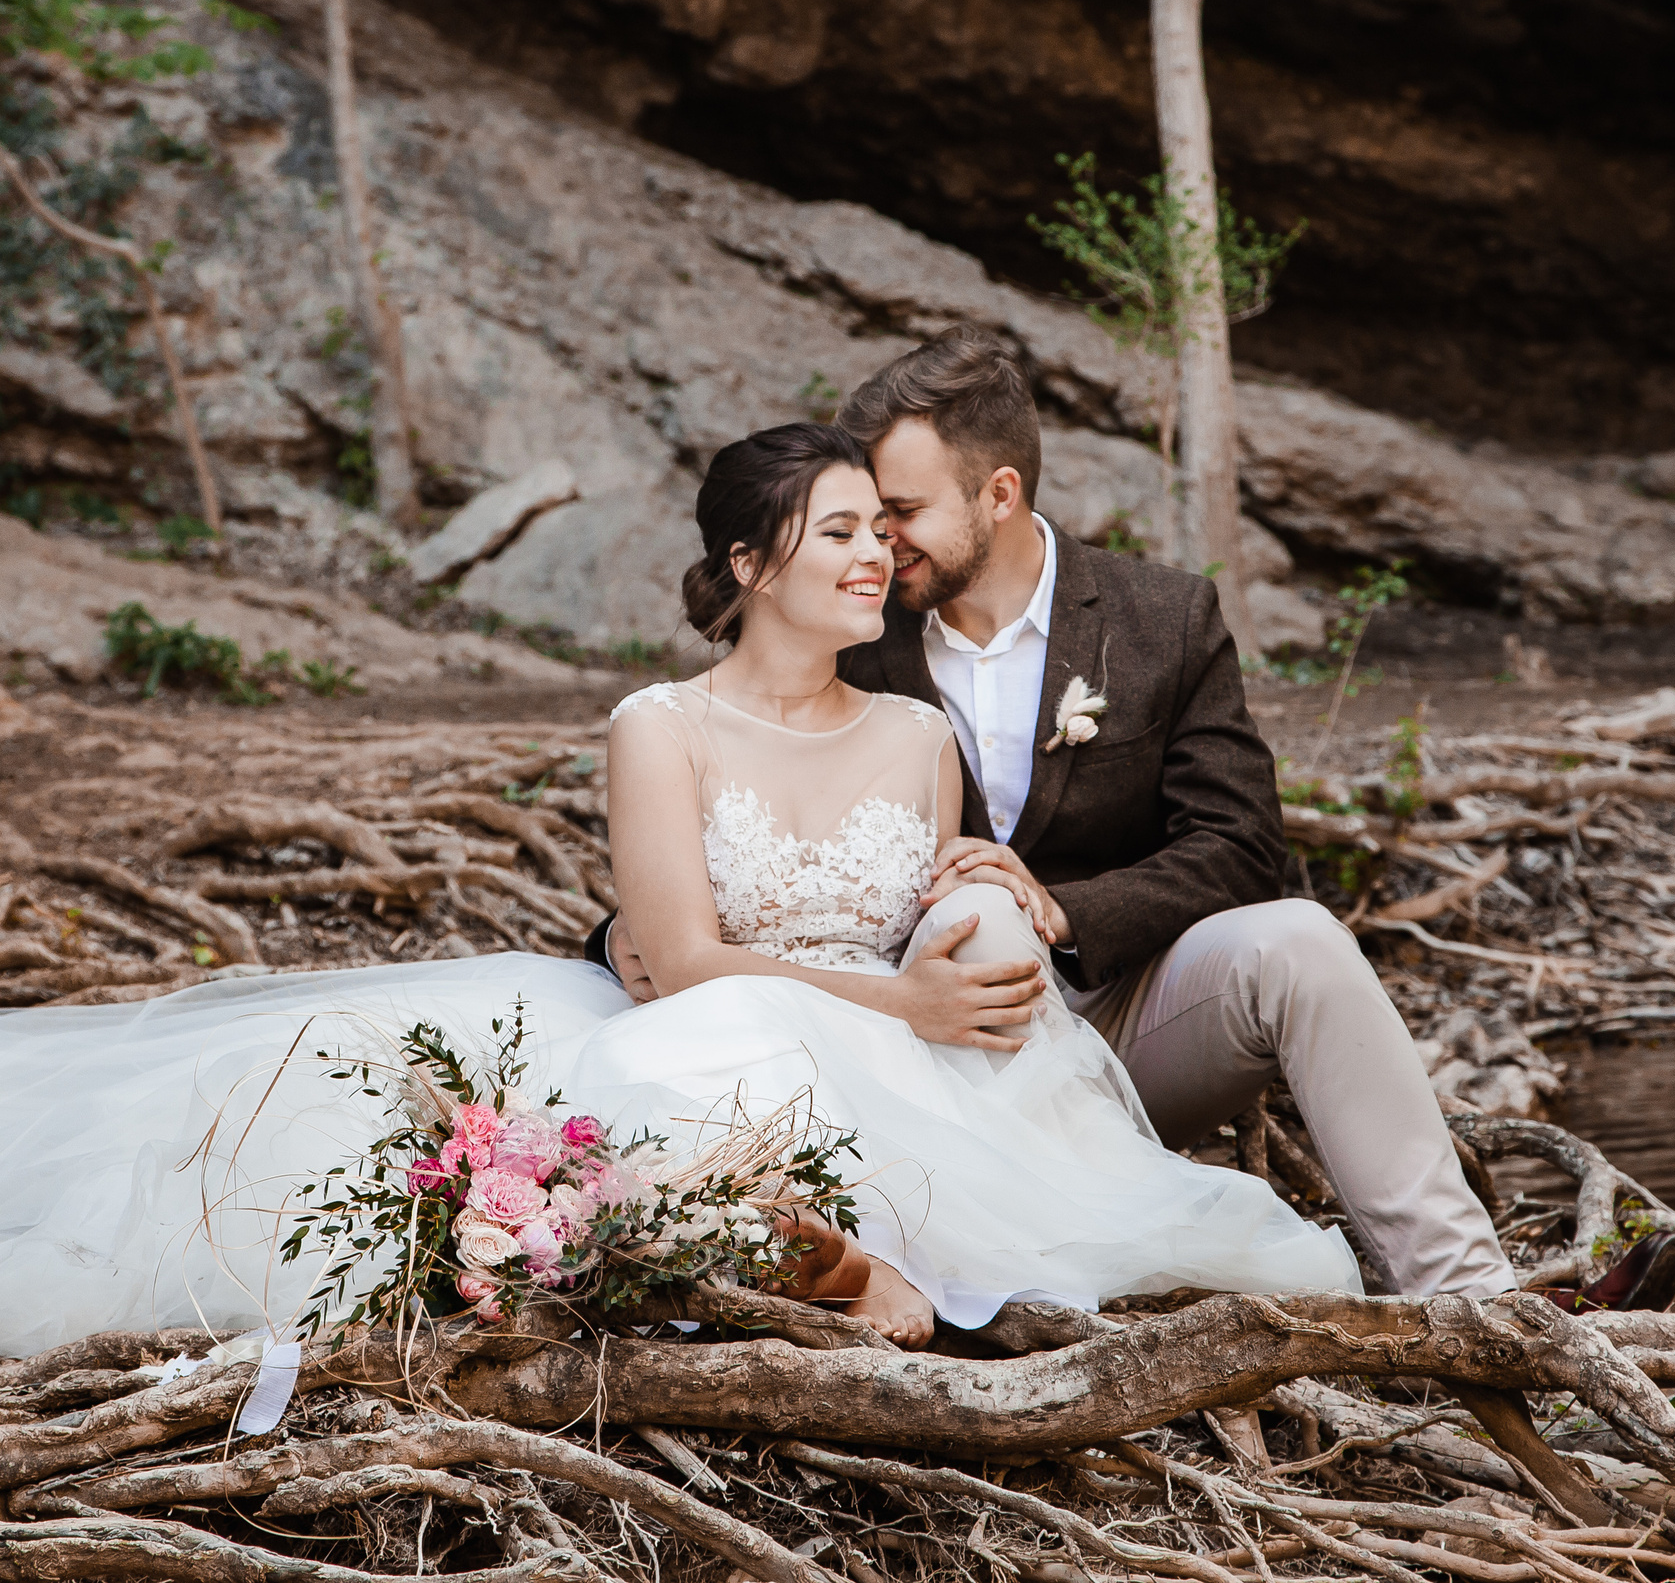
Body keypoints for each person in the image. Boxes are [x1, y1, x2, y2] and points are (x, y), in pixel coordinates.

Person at [0, 421, 1362, 1358]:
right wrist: (909, 1012)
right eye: (846, 535)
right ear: (751, 562)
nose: (883, 561)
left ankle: (845, 1270)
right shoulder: (655, 723)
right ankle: (788, 1268)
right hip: (718, 1022)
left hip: (875, 1050)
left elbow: (939, 902)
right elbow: (683, 958)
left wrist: (986, 942)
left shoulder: (918, 735)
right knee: (674, 1084)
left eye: (884, 531)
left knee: (998, 1180)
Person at [594, 326, 1529, 1301]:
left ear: (997, 494)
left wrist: (1064, 908)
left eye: (900, 513)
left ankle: (1471, 1295)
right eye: (865, 518)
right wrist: (623, 932)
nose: (880, 543)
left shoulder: (1158, 619)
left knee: (1296, 939)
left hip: (1121, 1005)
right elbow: (737, 799)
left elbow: (1242, 846)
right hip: (923, 1037)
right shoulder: (854, 625)